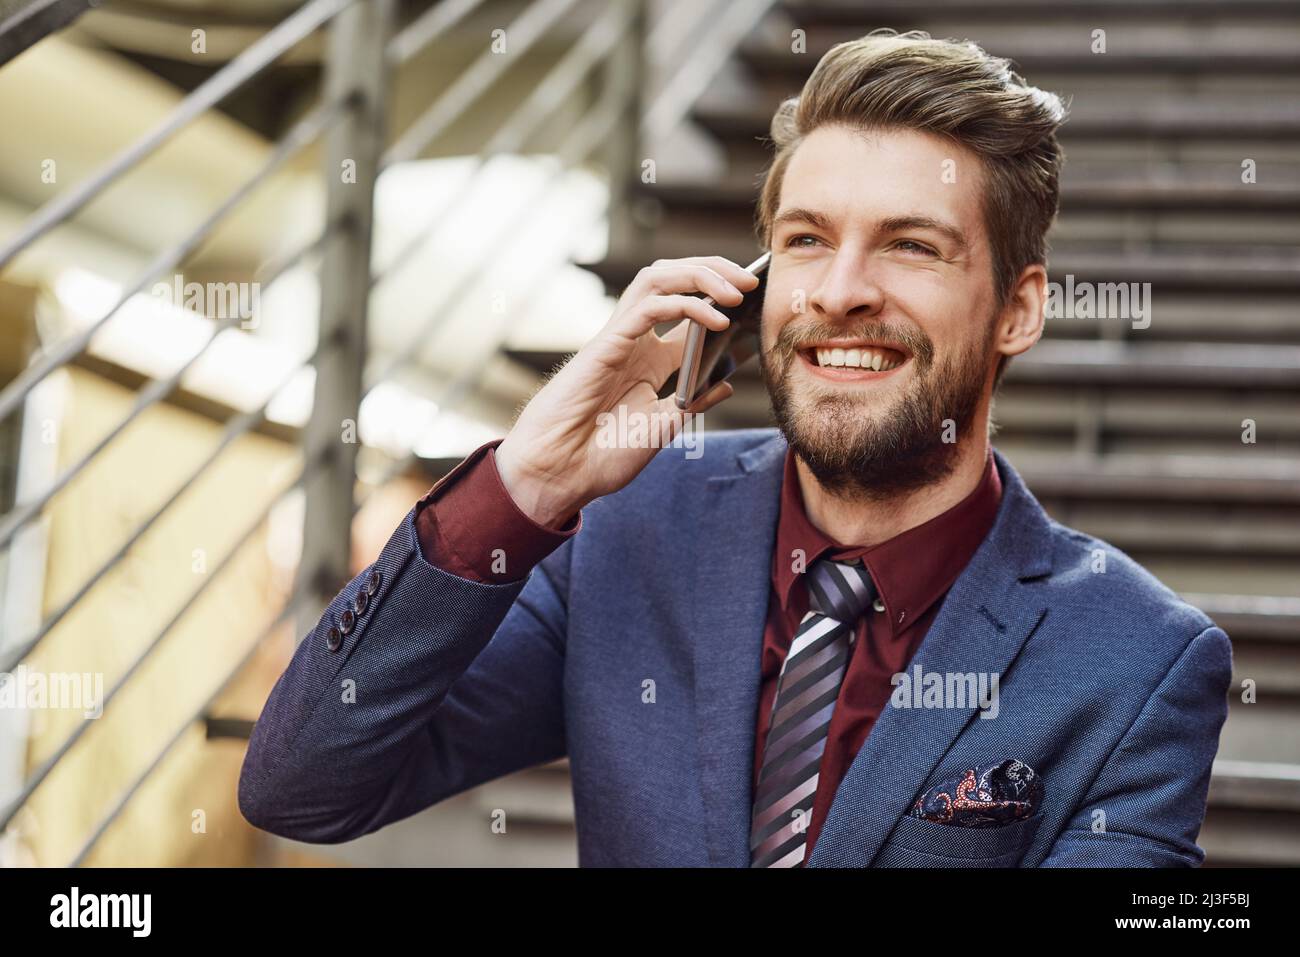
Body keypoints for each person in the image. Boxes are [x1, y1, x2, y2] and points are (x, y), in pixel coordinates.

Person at [239, 30, 1231, 867]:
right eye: (804, 240)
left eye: (910, 245)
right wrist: (524, 486)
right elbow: (301, 787)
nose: (840, 290)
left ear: (1017, 310)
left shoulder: (1138, 663)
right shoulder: (626, 533)